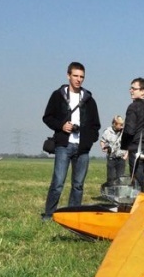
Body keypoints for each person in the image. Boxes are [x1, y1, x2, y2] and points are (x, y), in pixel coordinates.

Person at [41, 61, 101, 220]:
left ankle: (72, 216)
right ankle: (49, 215)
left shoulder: (89, 99)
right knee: (58, 182)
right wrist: (62, 126)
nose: (78, 79)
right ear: (68, 76)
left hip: (82, 149)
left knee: (78, 185)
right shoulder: (57, 95)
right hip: (64, 146)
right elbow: (47, 117)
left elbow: (96, 125)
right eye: (75, 76)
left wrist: (89, 140)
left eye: (82, 77)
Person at [99, 115, 126, 184]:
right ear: (114, 124)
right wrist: (103, 147)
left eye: (122, 125)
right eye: (120, 125)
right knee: (111, 177)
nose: (122, 127)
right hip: (111, 158)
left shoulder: (125, 132)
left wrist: (126, 156)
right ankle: (110, 192)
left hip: (121, 158)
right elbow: (102, 141)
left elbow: (129, 144)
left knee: (120, 178)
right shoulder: (107, 131)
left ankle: (119, 193)